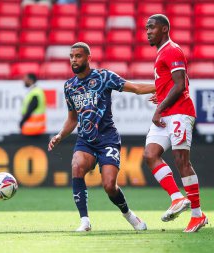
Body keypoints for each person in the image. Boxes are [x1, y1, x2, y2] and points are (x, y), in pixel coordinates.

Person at [48, 42, 155, 232]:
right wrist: (59, 135)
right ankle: (85, 221)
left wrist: (162, 87)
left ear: (88, 58)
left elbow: (136, 88)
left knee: (109, 186)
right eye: (71, 56)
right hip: (86, 140)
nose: (74, 60)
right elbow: (72, 119)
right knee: (76, 166)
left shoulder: (104, 76)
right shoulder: (69, 86)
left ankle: (129, 215)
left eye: (78, 56)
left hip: (107, 139)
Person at [143, 14, 208, 233]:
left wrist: (159, 108)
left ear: (164, 29)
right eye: (146, 28)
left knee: (182, 160)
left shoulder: (172, 50)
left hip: (179, 113)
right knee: (150, 155)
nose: (148, 32)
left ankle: (197, 215)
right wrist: (160, 97)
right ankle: (176, 197)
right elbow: (177, 82)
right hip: (166, 111)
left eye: (152, 27)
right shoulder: (162, 52)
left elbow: (181, 85)